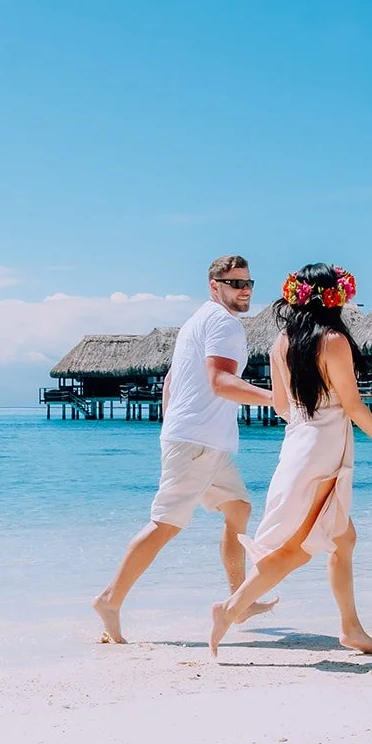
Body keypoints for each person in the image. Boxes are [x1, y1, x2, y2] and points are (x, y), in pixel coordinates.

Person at [209, 263, 372, 656]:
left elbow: (283, 406)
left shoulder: (280, 342)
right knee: (299, 548)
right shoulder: (334, 341)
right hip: (324, 445)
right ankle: (230, 609)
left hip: (299, 440)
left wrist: (311, 415)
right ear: (334, 298)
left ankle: (351, 627)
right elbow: (352, 405)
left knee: (342, 538)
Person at [93, 255, 278, 644]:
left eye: (249, 283)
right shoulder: (223, 323)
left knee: (239, 509)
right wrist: (277, 399)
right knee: (165, 525)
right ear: (215, 286)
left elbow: (171, 382)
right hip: (198, 443)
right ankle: (109, 601)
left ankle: (238, 602)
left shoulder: (197, 321)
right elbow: (221, 382)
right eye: (235, 283)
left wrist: (173, 425)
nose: (244, 290)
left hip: (204, 442)